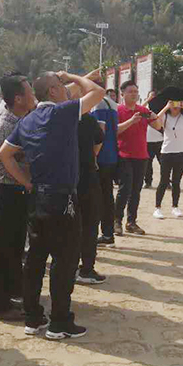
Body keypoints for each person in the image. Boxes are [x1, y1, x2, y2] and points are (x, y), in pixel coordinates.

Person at [0, 70, 104, 340]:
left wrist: (26, 182)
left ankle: (33, 318)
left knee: (35, 259)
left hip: (38, 199)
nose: (67, 89)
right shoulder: (62, 113)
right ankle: (59, 322)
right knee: (64, 262)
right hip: (62, 200)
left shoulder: (28, 120)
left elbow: (4, 154)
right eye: (62, 86)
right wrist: (73, 75)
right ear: (54, 91)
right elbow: (98, 92)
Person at [0, 73, 35, 321]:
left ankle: (13, 292)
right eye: (30, 92)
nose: (33, 96)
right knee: (1, 249)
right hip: (6, 192)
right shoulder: (4, 126)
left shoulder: (22, 119)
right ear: (18, 99)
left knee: (15, 247)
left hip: (18, 192)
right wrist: (24, 178)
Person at [114, 80, 163, 236]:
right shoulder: (117, 110)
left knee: (136, 191)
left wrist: (154, 116)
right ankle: (116, 221)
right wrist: (131, 121)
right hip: (124, 155)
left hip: (141, 155)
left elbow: (158, 126)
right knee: (124, 189)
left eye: (136, 91)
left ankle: (131, 222)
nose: (134, 94)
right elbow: (114, 131)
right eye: (130, 91)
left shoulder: (143, 110)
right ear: (122, 94)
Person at [76, 109, 105, 284]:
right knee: (89, 224)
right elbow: (99, 139)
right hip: (86, 177)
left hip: (60, 179)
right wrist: (92, 157)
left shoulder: (45, 115)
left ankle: (69, 269)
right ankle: (86, 269)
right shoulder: (86, 118)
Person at [92, 96, 119, 247]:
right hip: (111, 156)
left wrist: (93, 156)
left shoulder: (98, 104)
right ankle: (108, 233)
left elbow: (99, 132)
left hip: (100, 158)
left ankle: (99, 234)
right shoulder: (112, 103)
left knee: (97, 198)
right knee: (107, 196)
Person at [144, 90, 162, 188]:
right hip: (148, 141)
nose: (153, 98)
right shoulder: (145, 109)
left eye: (154, 96)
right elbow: (137, 111)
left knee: (163, 163)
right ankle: (148, 182)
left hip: (160, 140)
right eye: (151, 96)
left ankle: (166, 182)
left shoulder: (160, 108)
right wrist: (148, 100)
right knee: (147, 164)